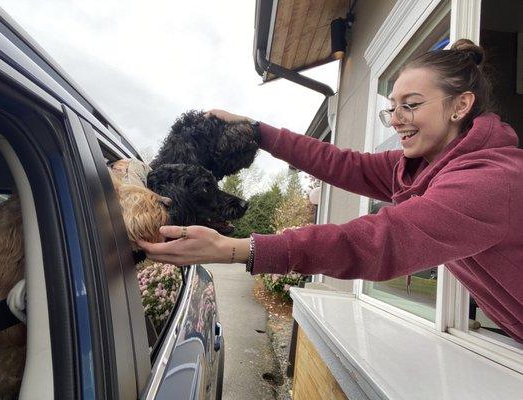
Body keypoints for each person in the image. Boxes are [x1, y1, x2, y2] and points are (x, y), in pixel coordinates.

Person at [138, 39, 523, 342]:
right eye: (392, 108)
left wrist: (235, 248)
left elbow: (377, 241)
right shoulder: (424, 165)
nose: (397, 120)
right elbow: (343, 164)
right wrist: (258, 131)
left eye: (412, 105)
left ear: (460, 107)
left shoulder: (490, 182)